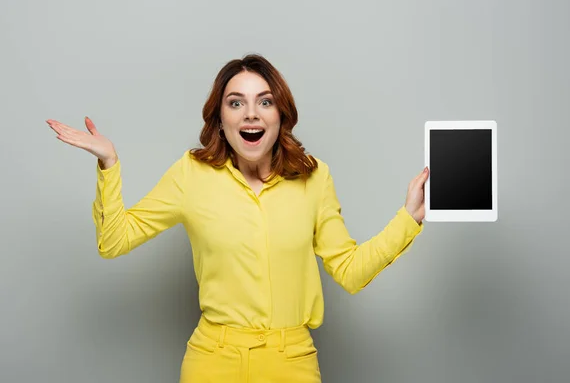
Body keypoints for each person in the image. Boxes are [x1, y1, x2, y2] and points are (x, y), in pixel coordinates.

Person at [46, 54, 429, 383]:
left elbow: (349, 270)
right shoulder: (190, 174)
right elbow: (113, 240)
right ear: (221, 118)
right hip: (212, 361)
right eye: (236, 103)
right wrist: (108, 163)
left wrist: (408, 218)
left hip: (291, 363)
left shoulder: (314, 177)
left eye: (264, 102)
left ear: (281, 115)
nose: (250, 113)